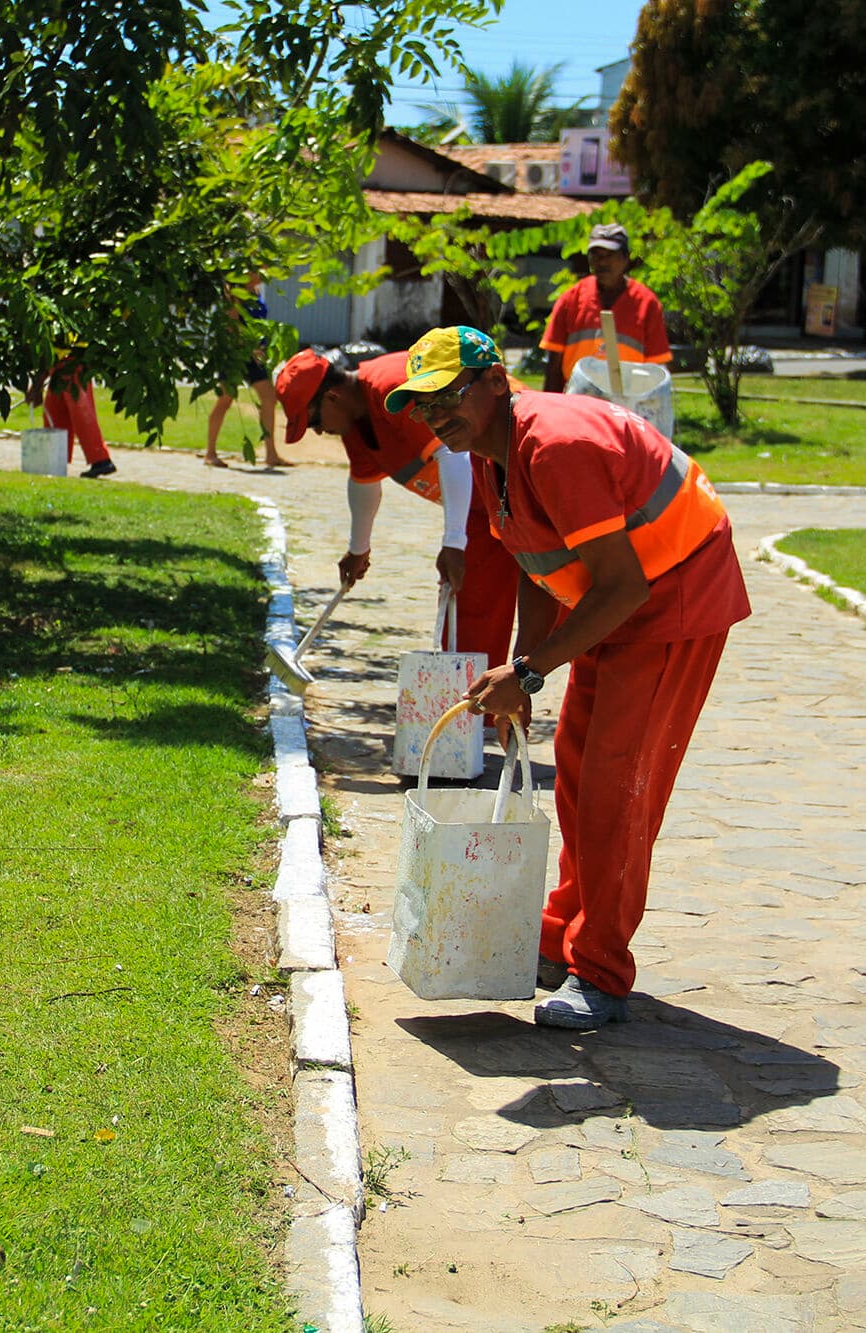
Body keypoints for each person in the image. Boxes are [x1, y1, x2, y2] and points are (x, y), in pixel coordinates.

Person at [386, 325, 750, 1029]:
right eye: (424, 406)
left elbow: (625, 585)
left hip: (672, 594)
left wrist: (528, 669)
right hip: (617, 600)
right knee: (580, 774)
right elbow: (538, 563)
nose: (436, 416)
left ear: (496, 381)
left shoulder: (554, 446)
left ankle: (601, 970)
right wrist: (525, 672)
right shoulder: (492, 453)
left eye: (448, 396)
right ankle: (560, 940)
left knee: (618, 788)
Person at [273, 347, 515, 665]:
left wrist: (454, 543)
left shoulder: (390, 388)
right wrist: (358, 549)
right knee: (468, 615)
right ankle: (475, 697)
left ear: (332, 397)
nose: (318, 431)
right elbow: (364, 483)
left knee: (561, 608)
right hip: (484, 509)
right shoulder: (355, 424)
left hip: (515, 488)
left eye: (314, 421)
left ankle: (490, 696)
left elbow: (452, 453)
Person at [539, 223, 673, 393]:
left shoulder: (647, 304)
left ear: (626, 258)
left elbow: (656, 370)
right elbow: (553, 366)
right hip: (577, 401)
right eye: (596, 255)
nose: (602, 261)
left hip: (627, 402)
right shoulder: (570, 300)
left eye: (610, 255)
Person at [205, 275, 292, 469]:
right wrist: (250, 347)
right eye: (258, 270)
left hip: (255, 356)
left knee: (269, 398)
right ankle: (210, 453)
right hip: (234, 355)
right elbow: (231, 327)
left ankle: (271, 454)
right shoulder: (234, 293)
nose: (263, 274)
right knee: (225, 400)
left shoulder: (257, 292)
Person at [28, 357, 116, 478]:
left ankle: (100, 459)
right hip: (62, 365)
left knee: (81, 412)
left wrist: (37, 385)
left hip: (72, 363)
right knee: (55, 411)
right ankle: (56, 458)